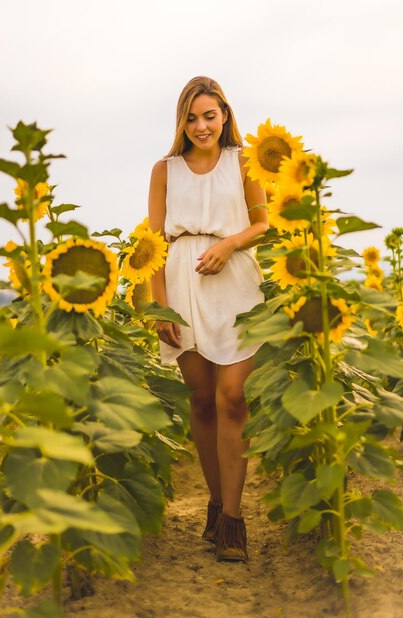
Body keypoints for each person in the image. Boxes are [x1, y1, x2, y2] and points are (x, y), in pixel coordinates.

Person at [148, 76, 268, 563]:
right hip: (181, 284)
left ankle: (234, 522)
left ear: (225, 115)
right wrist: (159, 306)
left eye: (209, 115)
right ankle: (216, 506)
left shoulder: (244, 162)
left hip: (234, 281)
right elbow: (152, 240)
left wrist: (228, 244)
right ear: (182, 122)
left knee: (233, 398)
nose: (201, 126)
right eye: (192, 117)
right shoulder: (165, 169)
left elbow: (262, 222)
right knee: (200, 402)